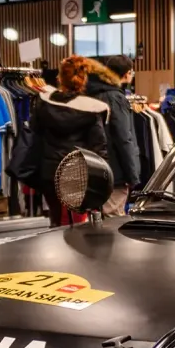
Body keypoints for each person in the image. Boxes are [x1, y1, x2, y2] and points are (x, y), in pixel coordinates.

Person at [26, 56, 110, 224]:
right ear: (83, 78)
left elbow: (34, 135)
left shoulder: (43, 103)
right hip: (78, 172)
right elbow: (98, 146)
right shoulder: (91, 109)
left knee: (56, 219)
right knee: (77, 224)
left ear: (60, 77)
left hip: (49, 172)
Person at [86, 56, 141, 215]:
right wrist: (132, 175)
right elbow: (123, 138)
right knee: (113, 217)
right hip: (116, 170)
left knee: (101, 216)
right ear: (127, 73)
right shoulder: (115, 97)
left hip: (96, 167)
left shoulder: (93, 94)